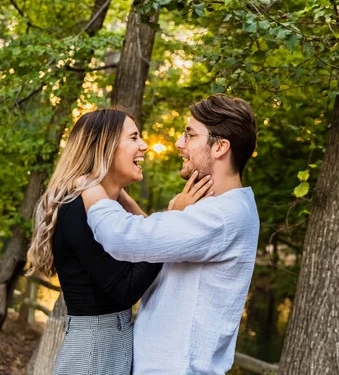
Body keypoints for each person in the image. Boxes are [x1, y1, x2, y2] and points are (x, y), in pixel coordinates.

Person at [81, 94, 260, 374]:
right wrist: (126, 199)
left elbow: (119, 237)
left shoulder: (222, 217)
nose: (179, 143)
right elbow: (158, 244)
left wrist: (88, 184)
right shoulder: (219, 209)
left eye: (189, 134)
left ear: (220, 147)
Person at [27, 108, 209, 374]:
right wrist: (173, 220)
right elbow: (126, 288)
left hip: (111, 346)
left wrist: (131, 203)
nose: (144, 146)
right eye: (134, 138)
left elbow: (144, 250)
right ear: (105, 147)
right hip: (92, 354)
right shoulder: (77, 209)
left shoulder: (108, 210)